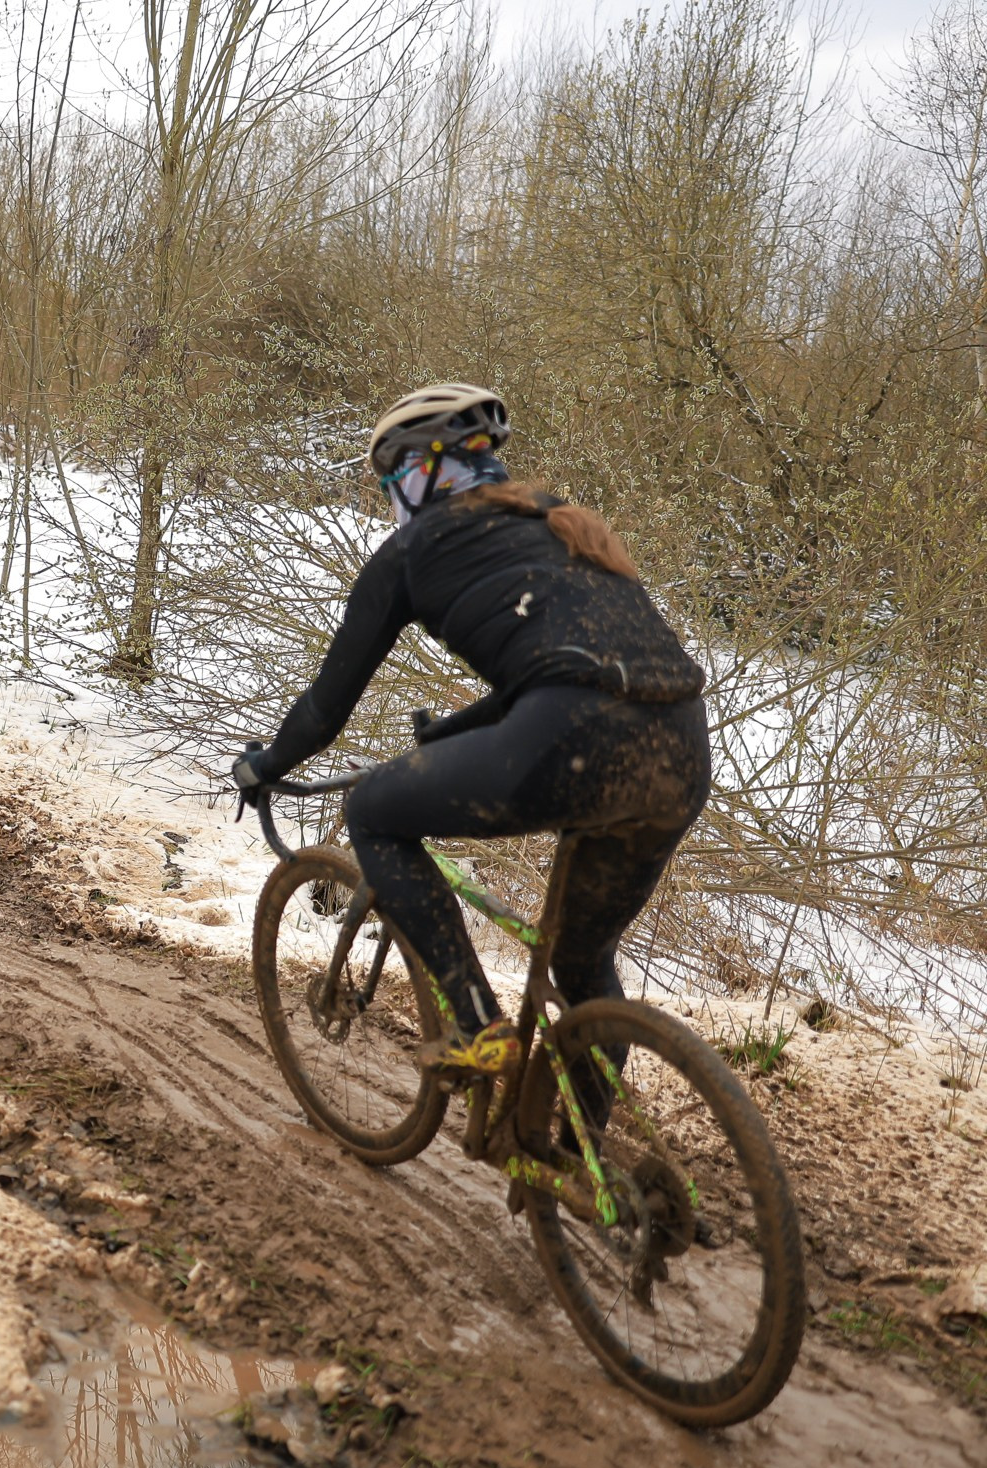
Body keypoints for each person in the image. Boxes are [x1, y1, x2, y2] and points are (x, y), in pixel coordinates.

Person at [234, 383, 710, 1090]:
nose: (389, 496)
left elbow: (325, 710)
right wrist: (452, 733)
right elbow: (564, 671)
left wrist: (266, 764)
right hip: (682, 748)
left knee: (373, 812)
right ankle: (579, 1147)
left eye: (390, 477)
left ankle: (477, 1024)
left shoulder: (411, 551)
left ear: (420, 470)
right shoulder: (561, 522)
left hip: (572, 739)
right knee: (582, 964)